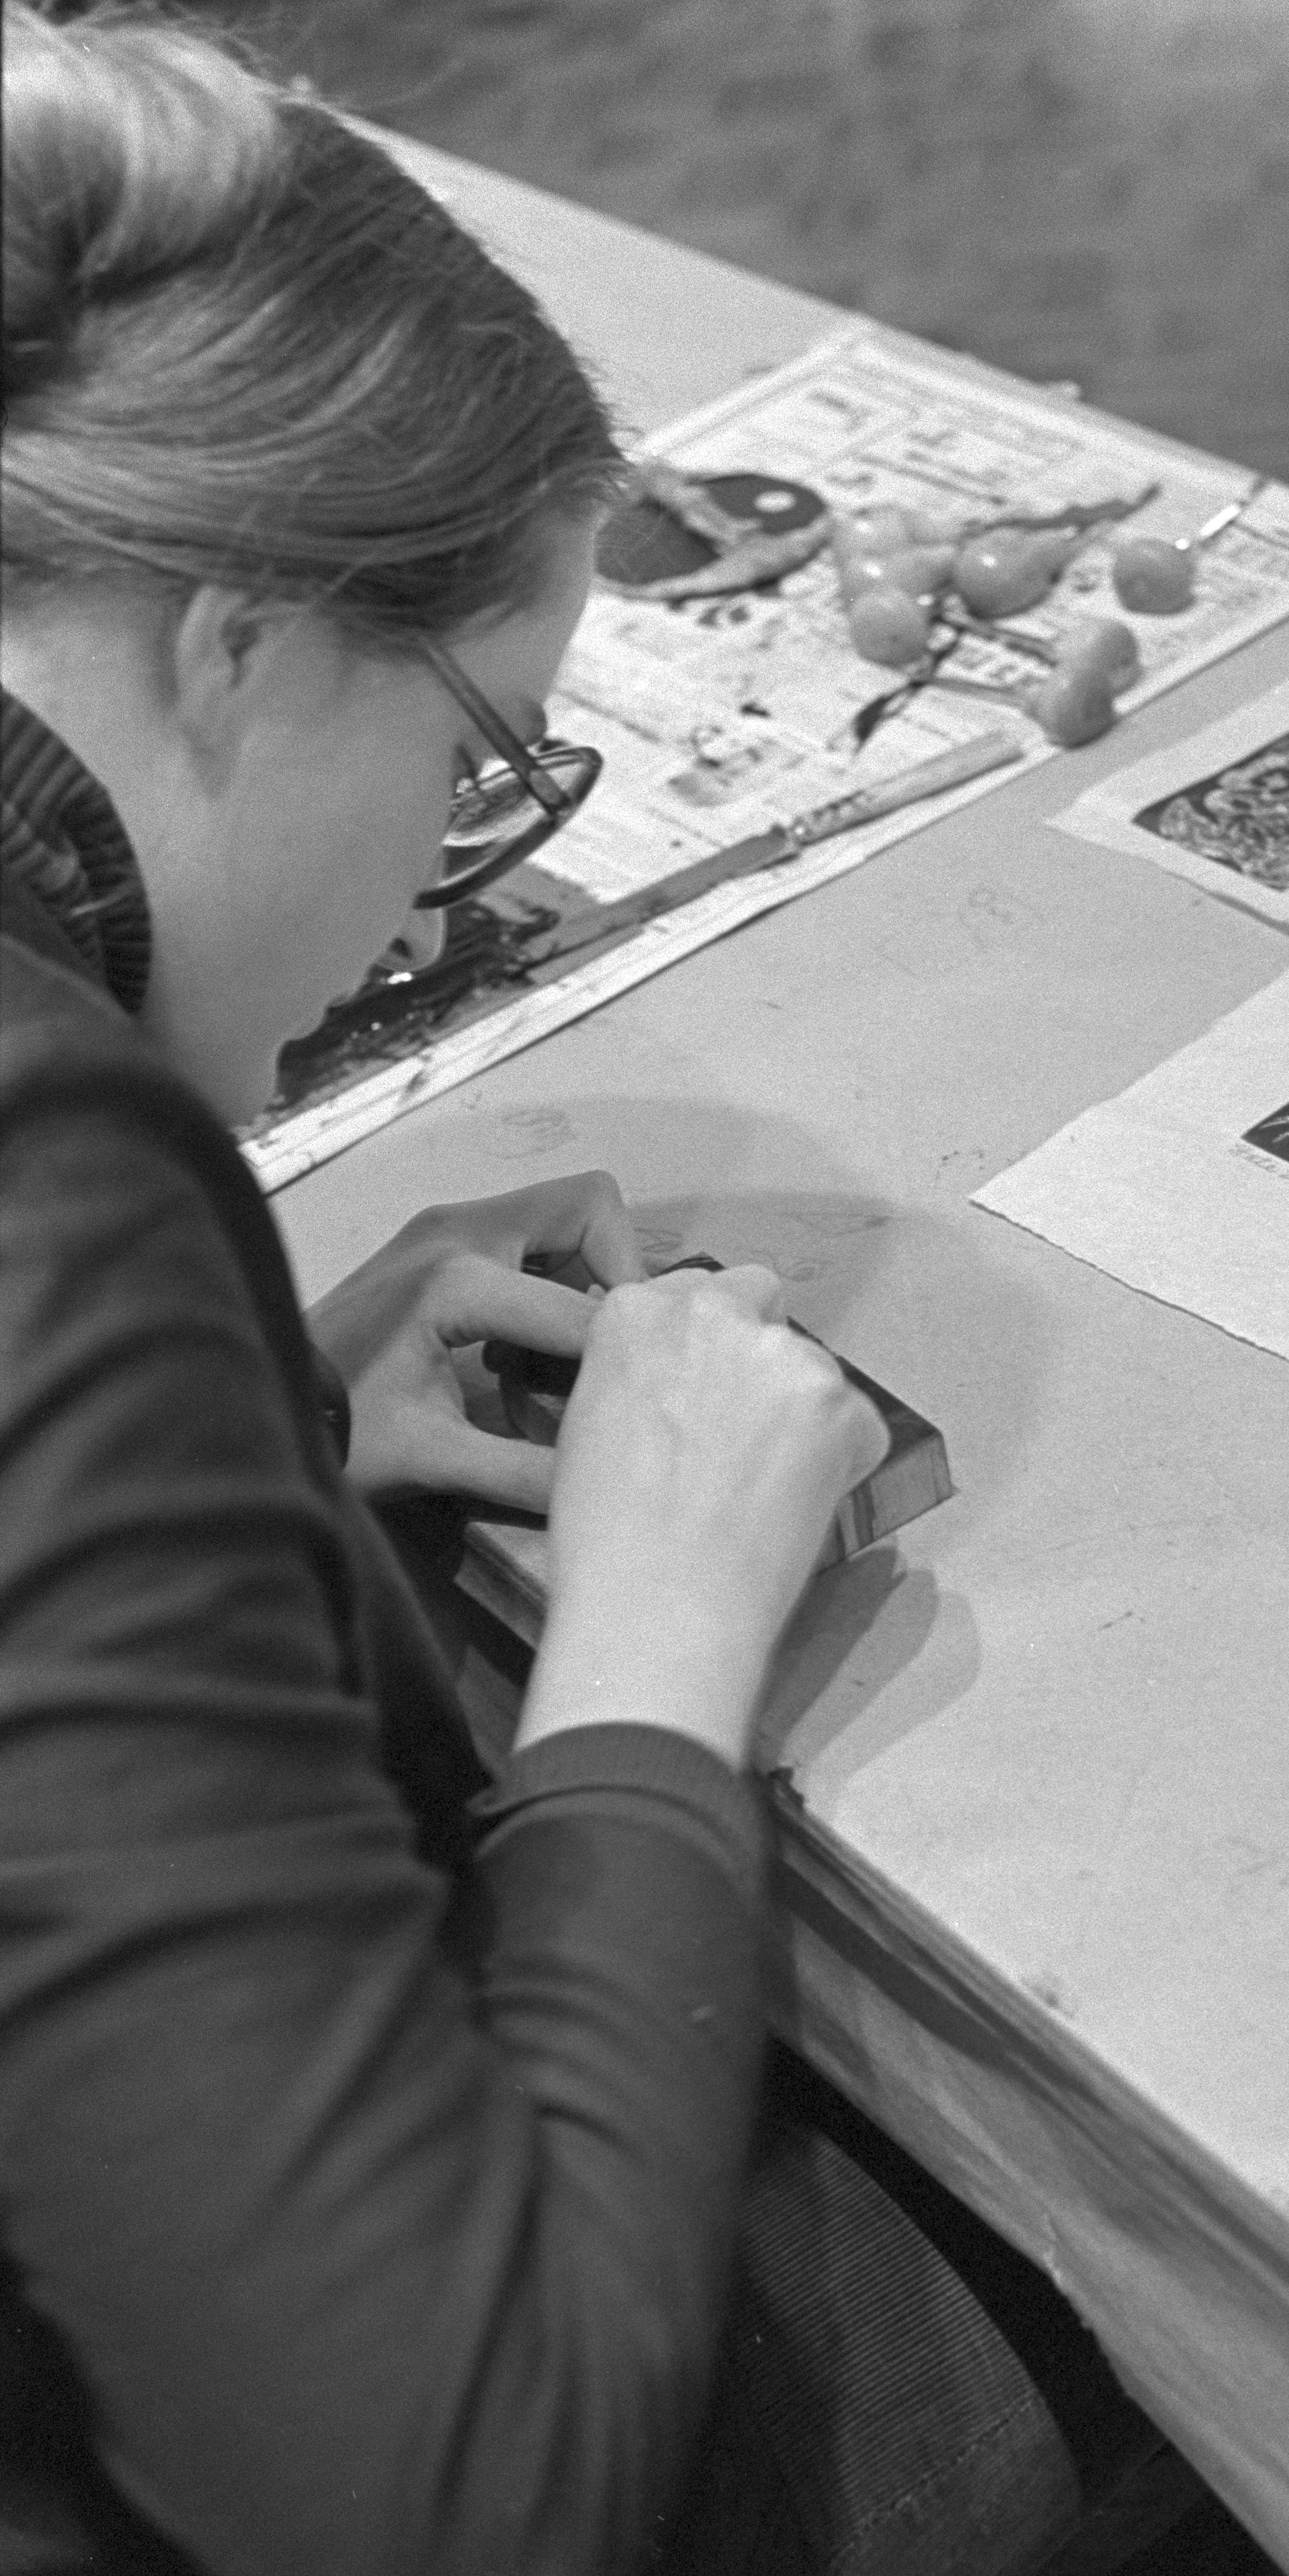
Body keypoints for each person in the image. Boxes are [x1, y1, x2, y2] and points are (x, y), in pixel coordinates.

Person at [0, 9, 1182, 2571]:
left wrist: (242, 1456)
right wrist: (652, 1641)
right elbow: (452, 2500)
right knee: (1087, 2313)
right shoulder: (43, 1168)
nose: (457, 878)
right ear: (231, 639)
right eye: (481, 760)